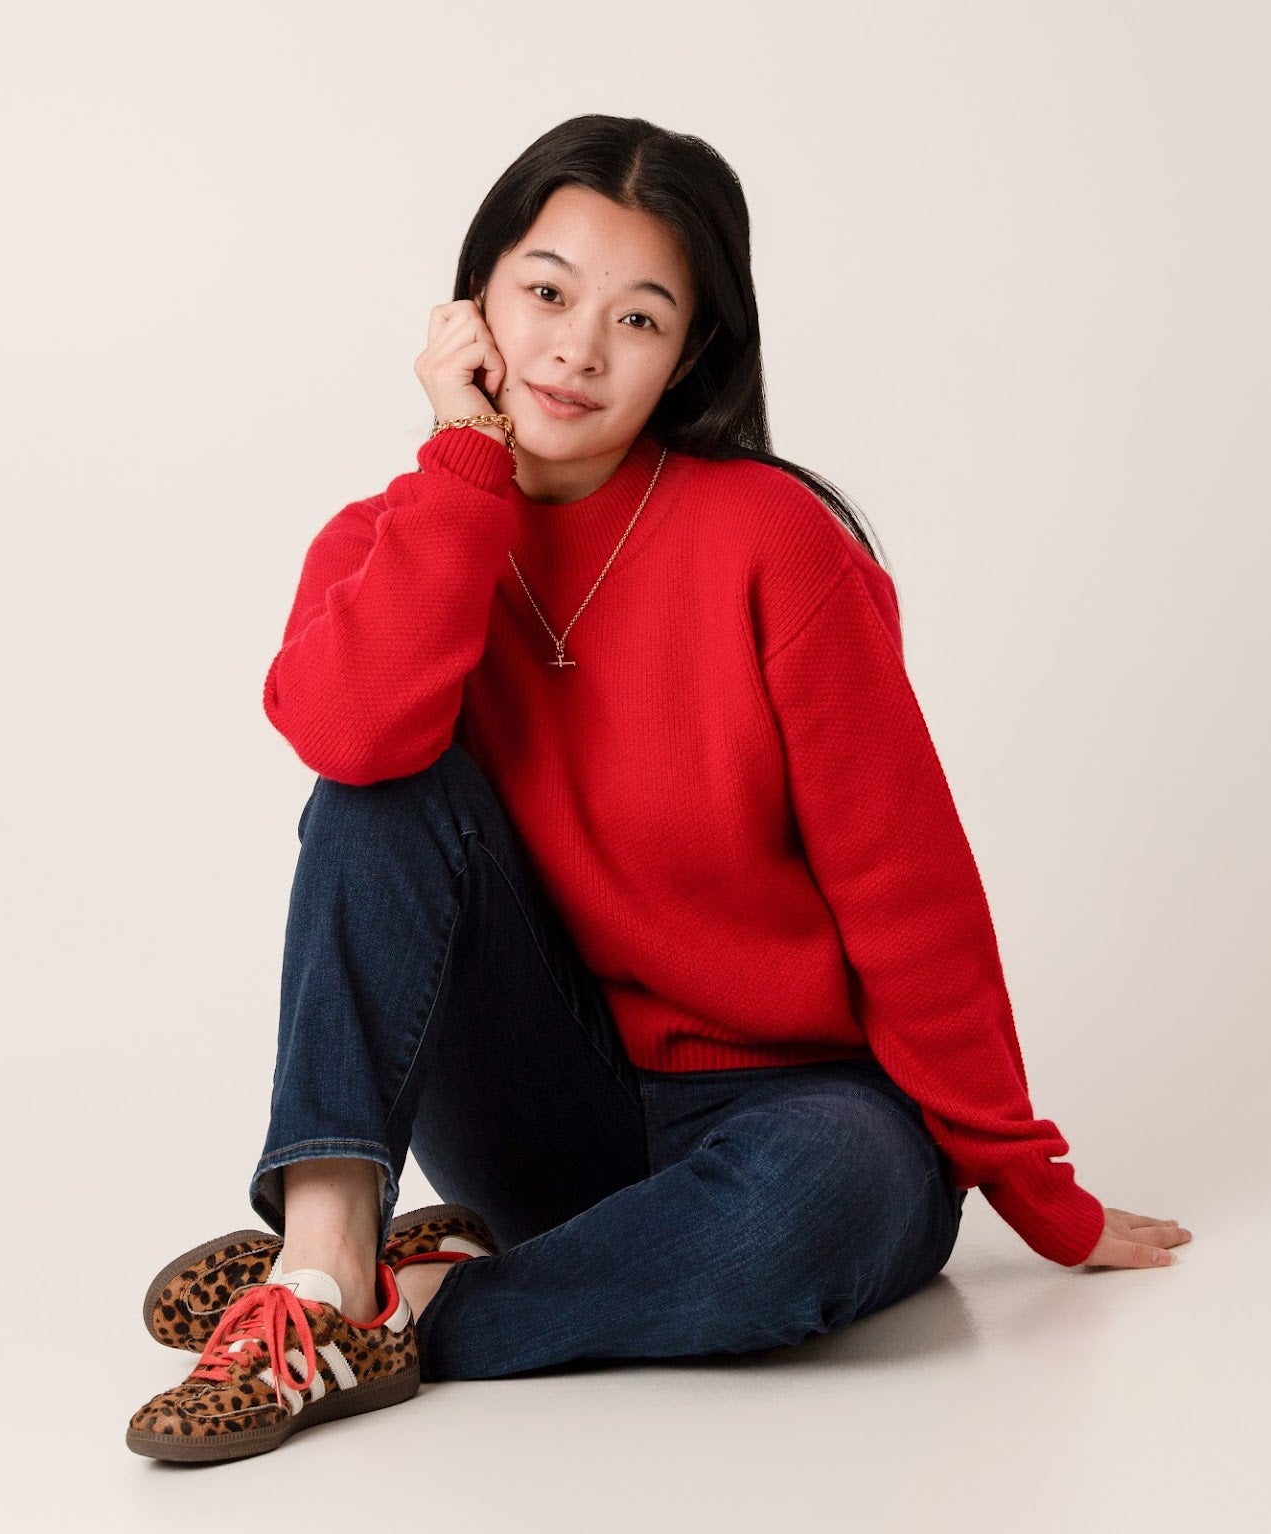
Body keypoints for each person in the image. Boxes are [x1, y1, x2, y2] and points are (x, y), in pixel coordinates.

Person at [125, 113, 1192, 1464]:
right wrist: (464, 466)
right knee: (381, 783)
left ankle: (414, 1306)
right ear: (475, 303)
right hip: (546, 1103)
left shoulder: (769, 540)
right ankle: (326, 1258)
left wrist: (1036, 1191)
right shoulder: (392, 539)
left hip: (796, 1111)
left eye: (637, 317)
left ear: (688, 353)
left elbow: (906, 881)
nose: (575, 348)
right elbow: (347, 738)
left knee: (820, 1205)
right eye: (546, 292)